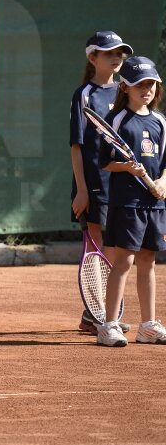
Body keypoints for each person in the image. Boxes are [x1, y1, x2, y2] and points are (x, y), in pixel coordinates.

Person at [96, 56, 166, 346]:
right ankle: (108, 325)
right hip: (127, 203)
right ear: (125, 86)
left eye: (150, 83)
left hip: (155, 204)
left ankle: (148, 325)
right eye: (139, 84)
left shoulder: (161, 120)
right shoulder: (116, 120)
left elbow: (165, 162)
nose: (146, 89)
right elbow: (104, 162)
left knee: (149, 261)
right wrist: (126, 166)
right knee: (124, 261)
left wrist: (163, 182)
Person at [71, 30, 134, 335]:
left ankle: (99, 311)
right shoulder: (84, 95)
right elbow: (77, 146)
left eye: (119, 54)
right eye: (109, 53)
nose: (116, 58)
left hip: (122, 183)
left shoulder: (126, 92)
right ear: (93, 58)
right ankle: (97, 314)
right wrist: (82, 189)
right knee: (96, 247)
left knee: (115, 249)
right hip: (93, 183)